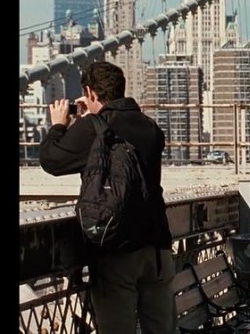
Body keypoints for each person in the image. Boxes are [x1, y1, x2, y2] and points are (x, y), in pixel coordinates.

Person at [39, 61, 175, 334]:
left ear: (90, 92)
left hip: (117, 250)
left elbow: (52, 160)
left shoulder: (94, 126)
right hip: (158, 249)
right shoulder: (150, 127)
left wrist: (59, 125)